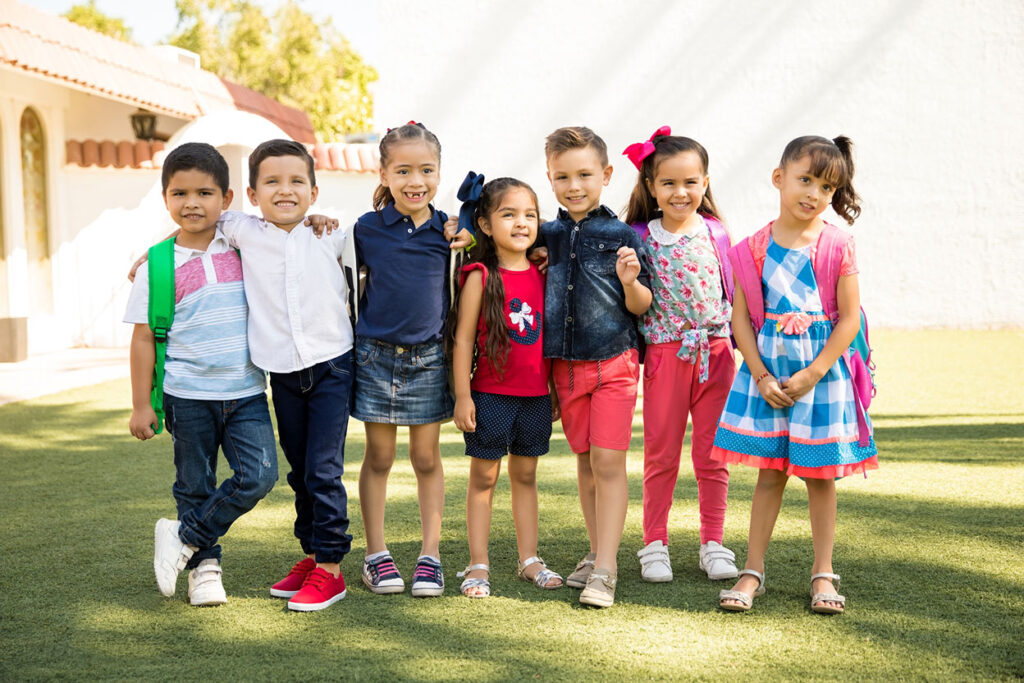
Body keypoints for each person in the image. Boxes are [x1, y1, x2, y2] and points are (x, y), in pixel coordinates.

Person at [715, 135, 878, 614]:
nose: (813, 193)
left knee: (820, 476)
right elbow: (741, 320)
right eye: (805, 179)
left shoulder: (838, 245)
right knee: (769, 474)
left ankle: (823, 573)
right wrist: (762, 375)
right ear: (779, 178)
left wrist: (813, 372)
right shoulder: (750, 249)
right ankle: (752, 571)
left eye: (826, 187)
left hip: (820, 379)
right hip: (767, 379)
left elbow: (849, 317)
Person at [125, 142, 276, 606]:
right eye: (179, 193)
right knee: (194, 483)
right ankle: (204, 568)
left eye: (205, 193)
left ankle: (183, 535)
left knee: (259, 476)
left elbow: (287, 243)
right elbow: (144, 338)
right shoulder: (157, 265)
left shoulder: (244, 245)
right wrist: (139, 404)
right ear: (165, 197)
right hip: (186, 394)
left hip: (247, 390)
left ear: (227, 199)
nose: (192, 203)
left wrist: (317, 221)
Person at [216, 139, 356, 612]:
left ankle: (332, 571)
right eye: (272, 182)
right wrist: (150, 258)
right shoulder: (241, 229)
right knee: (299, 471)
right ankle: (313, 555)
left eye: (297, 181)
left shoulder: (330, 232)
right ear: (252, 194)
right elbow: (191, 226)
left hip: (332, 364)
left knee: (323, 470)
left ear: (314, 193)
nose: (285, 190)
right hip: (282, 370)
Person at [351, 122, 471, 598]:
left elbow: (487, 248)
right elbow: (327, 261)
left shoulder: (451, 231)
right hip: (375, 358)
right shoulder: (366, 229)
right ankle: (376, 554)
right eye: (402, 170)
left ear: (439, 172)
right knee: (378, 457)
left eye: (426, 169)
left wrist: (469, 238)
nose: (414, 180)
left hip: (428, 360)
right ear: (384, 172)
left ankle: (430, 556)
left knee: (426, 458)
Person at [535, 126, 652, 608]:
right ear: (549, 177)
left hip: (614, 362)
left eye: (584, 174)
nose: (574, 185)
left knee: (608, 463)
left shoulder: (620, 234)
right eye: (562, 176)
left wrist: (629, 280)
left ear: (605, 175)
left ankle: (607, 567)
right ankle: (595, 550)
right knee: (584, 464)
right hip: (566, 368)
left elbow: (645, 306)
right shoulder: (545, 234)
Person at [622, 128, 739, 584]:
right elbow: (638, 304)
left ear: (705, 183)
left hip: (717, 354)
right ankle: (654, 543)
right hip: (668, 355)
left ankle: (713, 542)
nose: (680, 192)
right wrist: (631, 282)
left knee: (714, 455)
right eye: (668, 183)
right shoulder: (639, 237)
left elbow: (736, 294)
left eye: (690, 182)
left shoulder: (717, 233)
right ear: (652, 187)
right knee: (661, 454)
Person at [450, 174, 562, 598]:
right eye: (509, 214)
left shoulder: (545, 273)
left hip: (535, 398)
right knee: (483, 478)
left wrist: (552, 388)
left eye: (530, 215)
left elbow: (547, 339)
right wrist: (463, 395)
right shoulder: (480, 275)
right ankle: (478, 564)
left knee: (527, 475)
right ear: (485, 224)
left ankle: (528, 559)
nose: (521, 222)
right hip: (491, 395)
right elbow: (462, 338)